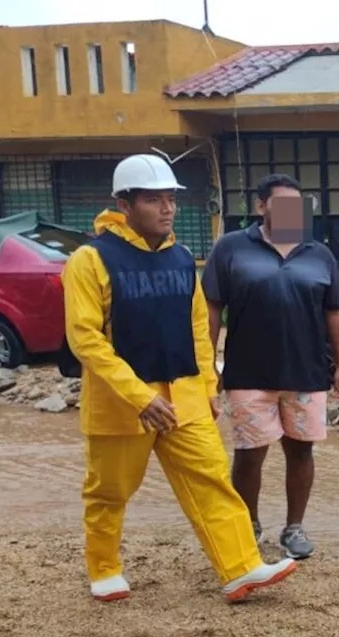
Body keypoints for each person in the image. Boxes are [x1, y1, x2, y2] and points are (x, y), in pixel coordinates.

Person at [62, 154, 297, 603]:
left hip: (185, 394)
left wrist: (209, 387)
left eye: (170, 199)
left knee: (212, 480)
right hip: (122, 402)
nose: (167, 209)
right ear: (124, 204)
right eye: (154, 200)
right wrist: (138, 396)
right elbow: (86, 340)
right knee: (110, 489)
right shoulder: (90, 261)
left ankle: (241, 567)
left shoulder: (181, 257)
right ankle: (105, 568)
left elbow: (197, 330)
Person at [202, 174, 339, 560]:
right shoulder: (231, 249)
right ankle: (247, 523)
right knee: (249, 453)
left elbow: (336, 311)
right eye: (282, 204)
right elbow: (211, 308)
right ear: (261, 206)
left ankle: (294, 528)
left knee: (302, 452)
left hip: (306, 372)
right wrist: (207, 365)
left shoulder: (319, 254)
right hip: (248, 373)